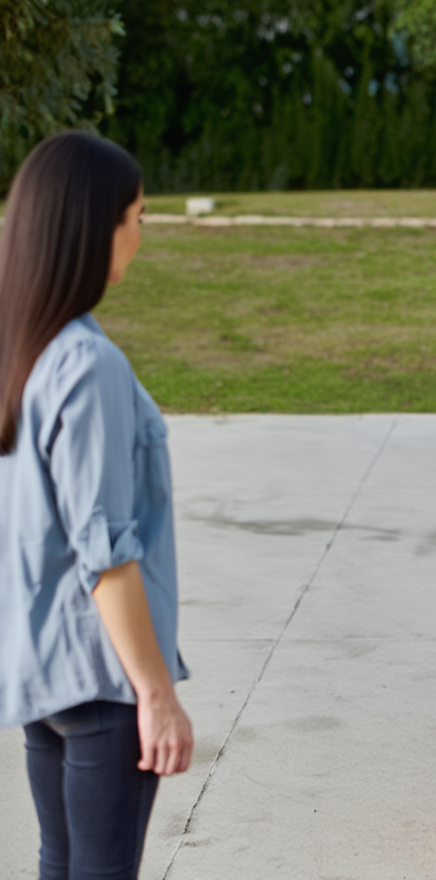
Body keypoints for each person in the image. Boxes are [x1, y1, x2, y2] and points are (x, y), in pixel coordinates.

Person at [0, 132, 194, 879]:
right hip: (101, 677)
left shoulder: (26, 349)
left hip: (43, 669)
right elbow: (105, 551)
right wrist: (156, 694)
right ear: (94, 227)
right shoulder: (87, 363)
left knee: (62, 863)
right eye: (136, 215)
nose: (140, 235)